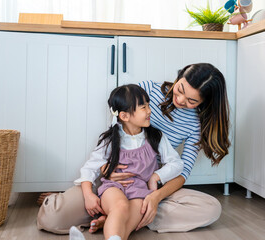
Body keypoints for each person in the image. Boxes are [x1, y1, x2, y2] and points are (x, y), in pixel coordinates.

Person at [37, 63, 231, 234]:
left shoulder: (195, 125)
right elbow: (115, 133)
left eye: (191, 101)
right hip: (112, 184)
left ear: (204, 103)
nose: (179, 100)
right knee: (52, 217)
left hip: (146, 188)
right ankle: (121, 216)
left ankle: (118, 219)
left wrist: (155, 196)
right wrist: (107, 170)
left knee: (210, 208)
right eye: (179, 89)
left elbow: (182, 170)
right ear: (179, 77)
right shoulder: (144, 90)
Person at [71, 84, 183, 240]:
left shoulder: (156, 137)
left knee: (132, 219)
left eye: (148, 105)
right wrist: (88, 194)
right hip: (113, 187)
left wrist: (156, 176)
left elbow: (177, 164)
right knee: (120, 207)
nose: (149, 111)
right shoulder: (111, 139)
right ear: (124, 116)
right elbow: (90, 168)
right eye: (143, 107)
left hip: (140, 191)